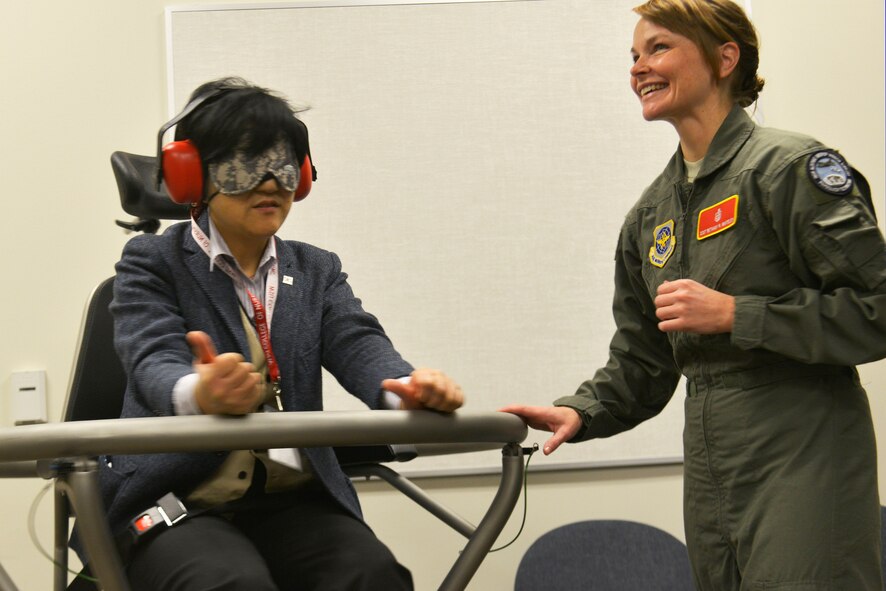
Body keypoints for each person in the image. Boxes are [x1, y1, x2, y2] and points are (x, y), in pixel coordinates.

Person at [501, 1, 886, 589]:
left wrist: (737, 315)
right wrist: (582, 410)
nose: (638, 67)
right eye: (634, 55)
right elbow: (644, 360)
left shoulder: (788, 169)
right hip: (709, 464)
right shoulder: (650, 214)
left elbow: (877, 310)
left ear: (724, 59)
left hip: (804, 445)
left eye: (658, 48)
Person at [91, 77, 464, 591]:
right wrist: (200, 393)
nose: (270, 182)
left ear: (303, 176)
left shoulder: (315, 269)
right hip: (181, 501)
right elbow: (151, 358)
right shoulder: (152, 261)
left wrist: (405, 390)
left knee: (371, 575)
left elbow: (358, 342)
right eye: (245, 164)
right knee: (230, 583)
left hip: (291, 500)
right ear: (193, 176)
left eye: (284, 164)